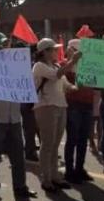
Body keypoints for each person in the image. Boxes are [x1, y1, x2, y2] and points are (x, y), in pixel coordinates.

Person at [0, 32, 37, 201]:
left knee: (18, 157)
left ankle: (20, 187)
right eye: (0, 45)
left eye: (6, 44)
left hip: (14, 118)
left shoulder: (16, 64)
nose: (4, 47)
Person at [32, 38, 77, 193]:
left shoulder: (56, 65)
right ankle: (46, 179)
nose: (56, 52)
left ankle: (55, 176)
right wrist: (72, 61)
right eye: (53, 49)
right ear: (44, 52)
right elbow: (57, 75)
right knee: (48, 143)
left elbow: (65, 84)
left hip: (60, 105)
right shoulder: (39, 66)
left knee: (55, 143)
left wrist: (76, 87)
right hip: (46, 106)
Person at [63, 39, 94, 184]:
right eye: (75, 50)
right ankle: (69, 171)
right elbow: (63, 75)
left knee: (83, 140)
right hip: (74, 106)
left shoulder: (90, 66)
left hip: (87, 105)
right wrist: (72, 60)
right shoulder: (66, 66)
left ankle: (79, 169)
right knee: (72, 139)